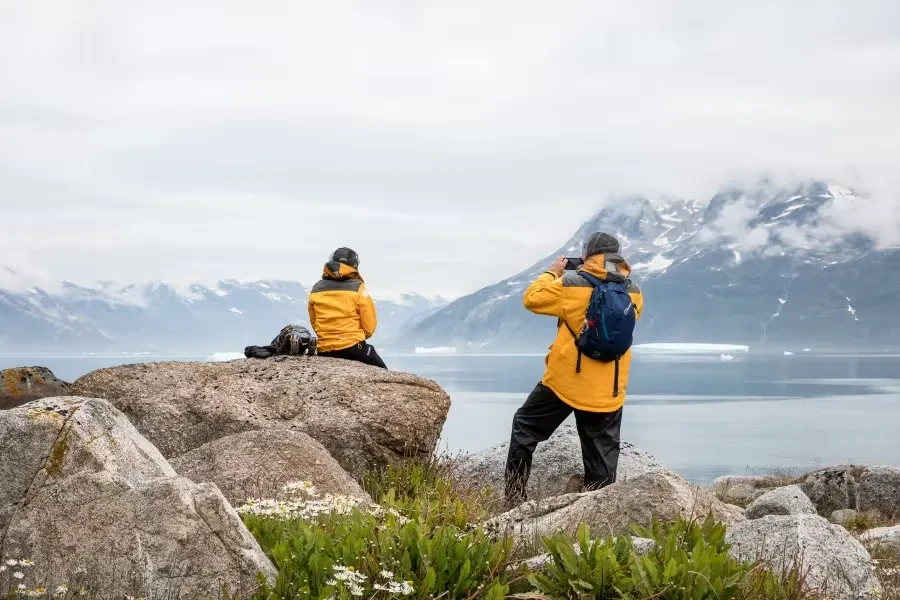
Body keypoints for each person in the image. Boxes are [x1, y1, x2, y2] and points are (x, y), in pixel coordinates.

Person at [504, 232, 644, 506]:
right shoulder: (634, 292)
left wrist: (552, 272)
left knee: (525, 427)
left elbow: (532, 299)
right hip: (609, 389)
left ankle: (514, 499)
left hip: (565, 383)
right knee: (601, 458)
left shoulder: (571, 284)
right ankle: (598, 513)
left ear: (587, 254)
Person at [308, 247, 388, 369]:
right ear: (354, 265)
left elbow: (314, 321)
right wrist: (357, 337)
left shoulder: (316, 288)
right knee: (383, 371)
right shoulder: (358, 288)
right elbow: (369, 324)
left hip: (324, 349)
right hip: (353, 347)